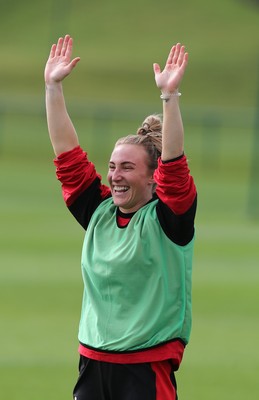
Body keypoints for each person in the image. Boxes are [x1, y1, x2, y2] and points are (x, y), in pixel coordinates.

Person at [44, 34, 197, 400]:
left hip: (145, 369)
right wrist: (52, 87)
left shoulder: (168, 220)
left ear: (151, 176)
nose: (114, 175)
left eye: (127, 167)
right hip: (93, 364)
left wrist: (169, 98)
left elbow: (174, 165)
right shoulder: (99, 212)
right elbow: (67, 157)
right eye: (112, 166)